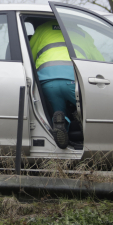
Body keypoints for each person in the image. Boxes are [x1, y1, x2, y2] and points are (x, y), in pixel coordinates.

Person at [30, 19, 76, 149]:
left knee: (57, 110)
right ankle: (78, 121)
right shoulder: (81, 32)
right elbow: (97, 59)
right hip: (73, 79)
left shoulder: (41, 30)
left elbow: (30, 56)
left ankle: (62, 122)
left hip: (48, 80)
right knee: (89, 111)